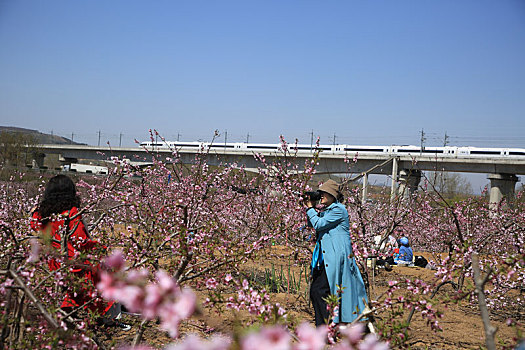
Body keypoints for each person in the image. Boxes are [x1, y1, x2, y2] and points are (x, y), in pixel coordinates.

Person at [30, 175, 128, 329]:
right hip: (75, 262)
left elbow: (34, 224)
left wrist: (34, 212)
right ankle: (108, 316)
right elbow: (81, 240)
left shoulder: (42, 214)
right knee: (101, 275)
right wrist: (100, 249)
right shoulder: (71, 212)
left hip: (55, 262)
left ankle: (67, 312)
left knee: (78, 286)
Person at [304, 179, 368, 326]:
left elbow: (318, 224)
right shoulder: (327, 211)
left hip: (335, 259)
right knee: (318, 291)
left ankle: (327, 326)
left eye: (324, 193)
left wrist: (310, 209)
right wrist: (312, 207)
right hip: (326, 258)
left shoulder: (339, 210)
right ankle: (327, 324)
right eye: (320, 193)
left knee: (319, 290)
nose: (321, 196)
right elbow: (312, 223)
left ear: (333, 195)